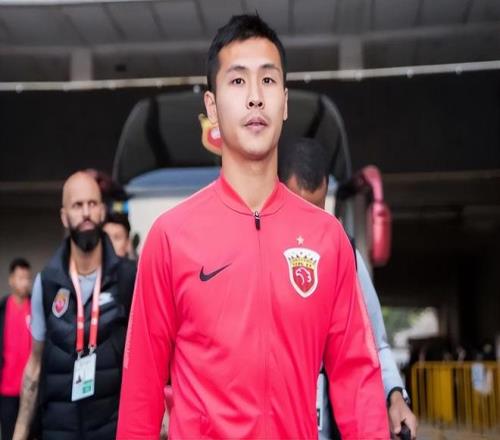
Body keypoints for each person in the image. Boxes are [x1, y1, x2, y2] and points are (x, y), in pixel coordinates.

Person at [117, 14, 389, 439]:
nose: (255, 98)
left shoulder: (328, 238)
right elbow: (141, 390)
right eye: (238, 81)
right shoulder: (171, 237)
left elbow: (357, 377)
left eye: (267, 80)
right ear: (212, 107)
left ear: (284, 101)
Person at [279, 137, 418, 439]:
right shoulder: (254, 253)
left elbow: (375, 344)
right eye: (298, 209)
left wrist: (395, 397)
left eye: (316, 209)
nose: (308, 224)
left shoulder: (344, 253)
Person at [13, 171, 136, 440]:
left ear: (102, 210)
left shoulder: (129, 278)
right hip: (59, 430)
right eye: (77, 206)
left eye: (92, 204)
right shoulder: (46, 284)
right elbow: (34, 365)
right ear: (64, 216)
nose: (86, 213)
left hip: (112, 431)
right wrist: (19, 432)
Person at [0, 258, 32, 440]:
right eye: (20, 278)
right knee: (8, 434)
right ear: (11, 279)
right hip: (6, 389)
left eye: (27, 278)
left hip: (30, 389)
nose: (24, 282)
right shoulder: (2, 309)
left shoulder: (35, 308)